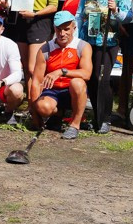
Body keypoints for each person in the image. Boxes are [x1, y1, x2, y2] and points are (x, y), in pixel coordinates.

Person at [76, 0, 131, 134]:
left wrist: (116, 10)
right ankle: (97, 116)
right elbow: (79, 14)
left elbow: (128, 17)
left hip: (109, 42)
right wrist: (77, 39)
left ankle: (106, 117)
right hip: (88, 41)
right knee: (91, 79)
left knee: (103, 79)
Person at [29, 11, 92, 140]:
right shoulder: (45, 48)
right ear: (54, 29)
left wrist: (61, 71)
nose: (62, 34)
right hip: (53, 90)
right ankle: (59, 114)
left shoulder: (83, 46)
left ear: (74, 28)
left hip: (72, 90)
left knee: (77, 83)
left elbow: (86, 74)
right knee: (43, 107)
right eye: (58, 29)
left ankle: (75, 124)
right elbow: (36, 81)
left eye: (66, 29)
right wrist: (35, 115)